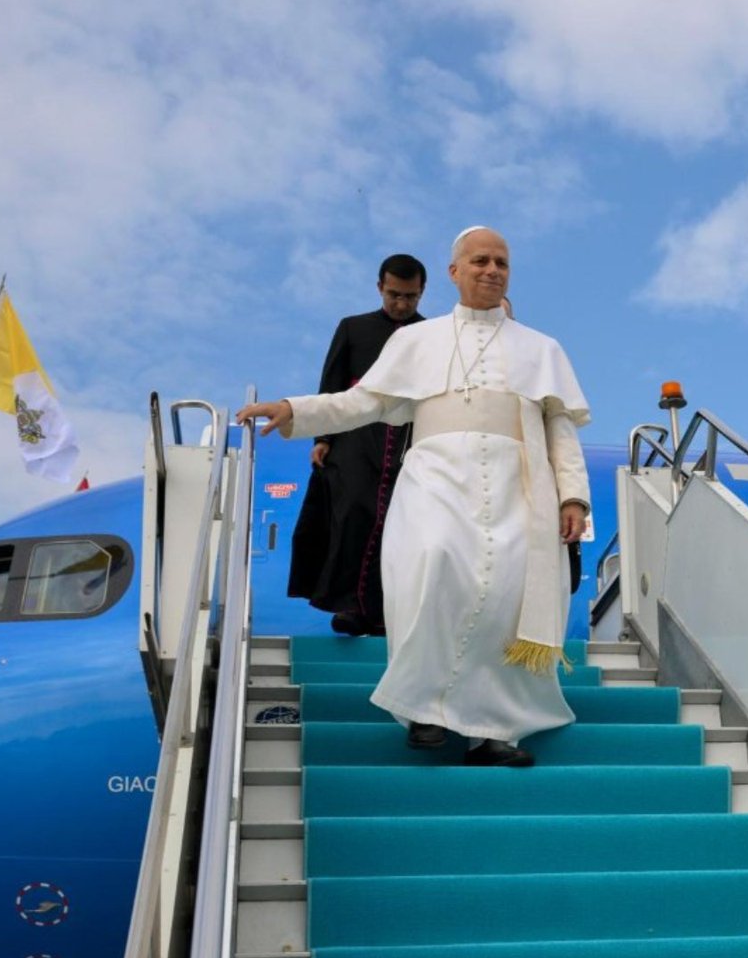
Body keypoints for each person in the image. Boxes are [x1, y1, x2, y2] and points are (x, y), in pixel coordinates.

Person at [238, 227, 590, 767]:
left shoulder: (541, 349)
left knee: (506, 594)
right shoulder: (414, 342)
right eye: (479, 261)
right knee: (432, 565)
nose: (492, 270)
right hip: (437, 477)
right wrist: (296, 410)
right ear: (454, 271)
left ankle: (494, 730)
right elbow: (364, 402)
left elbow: (561, 431)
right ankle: (426, 709)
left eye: (501, 262)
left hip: (520, 482)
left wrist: (574, 499)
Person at [288, 253, 427, 636]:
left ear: (422, 293)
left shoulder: (431, 335)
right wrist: (322, 438)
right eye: (394, 295)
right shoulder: (352, 327)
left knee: (398, 523)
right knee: (352, 516)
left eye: (410, 297)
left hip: (408, 439)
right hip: (354, 436)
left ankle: (386, 614)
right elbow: (331, 384)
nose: (401, 304)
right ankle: (350, 607)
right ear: (380, 287)